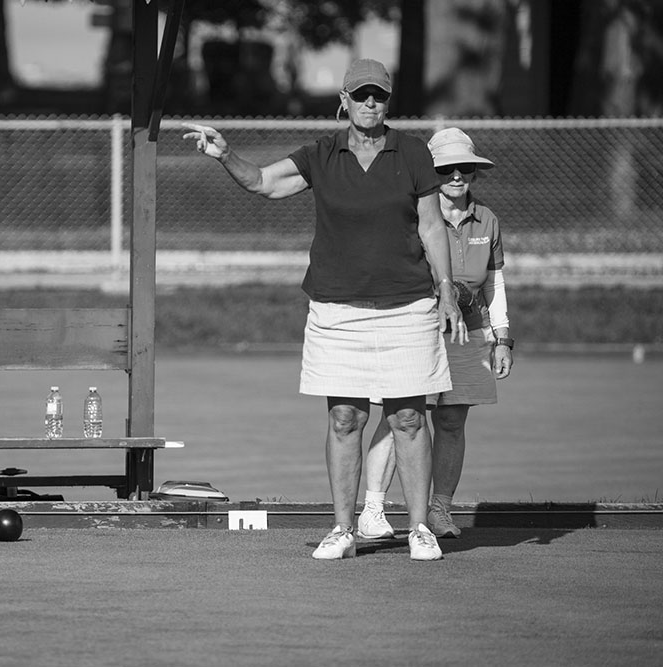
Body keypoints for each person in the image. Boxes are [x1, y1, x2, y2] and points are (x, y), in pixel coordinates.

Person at [182, 59, 467, 561]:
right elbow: (264, 182)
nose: (370, 103)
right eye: (361, 95)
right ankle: (343, 529)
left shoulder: (413, 152)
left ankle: (420, 528)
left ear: (389, 100)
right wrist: (225, 155)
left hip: (407, 306)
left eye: (379, 95)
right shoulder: (322, 153)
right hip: (337, 309)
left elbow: (430, 226)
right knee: (344, 418)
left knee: (407, 418)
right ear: (344, 100)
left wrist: (446, 289)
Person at [358, 127, 514, 539]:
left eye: (465, 168)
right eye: (446, 169)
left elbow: (494, 283)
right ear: (432, 173)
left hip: (470, 333)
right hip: (416, 328)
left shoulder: (488, 220)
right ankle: (372, 510)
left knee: (452, 421)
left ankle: (439, 510)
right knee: (400, 416)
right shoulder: (413, 216)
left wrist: (502, 338)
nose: (457, 175)